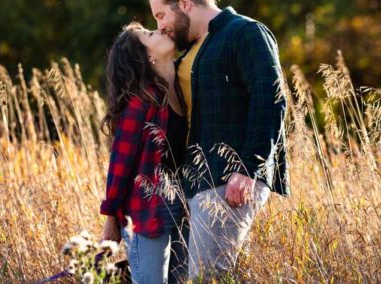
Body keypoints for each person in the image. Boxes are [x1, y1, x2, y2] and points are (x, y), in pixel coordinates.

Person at [149, 0, 290, 279]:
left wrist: (249, 168)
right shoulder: (190, 50)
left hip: (228, 183)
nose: (159, 25)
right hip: (193, 186)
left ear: (186, 4)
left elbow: (270, 100)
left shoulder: (245, 32)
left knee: (206, 278)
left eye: (161, 15)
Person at [99, 22, 189, 283]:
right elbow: (120, 165)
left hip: (181, 205)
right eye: (150, 34)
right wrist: (111, 218)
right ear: (148, 57)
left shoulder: (181, 89)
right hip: (146, 210)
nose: (159, 30)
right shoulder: (141, 101)